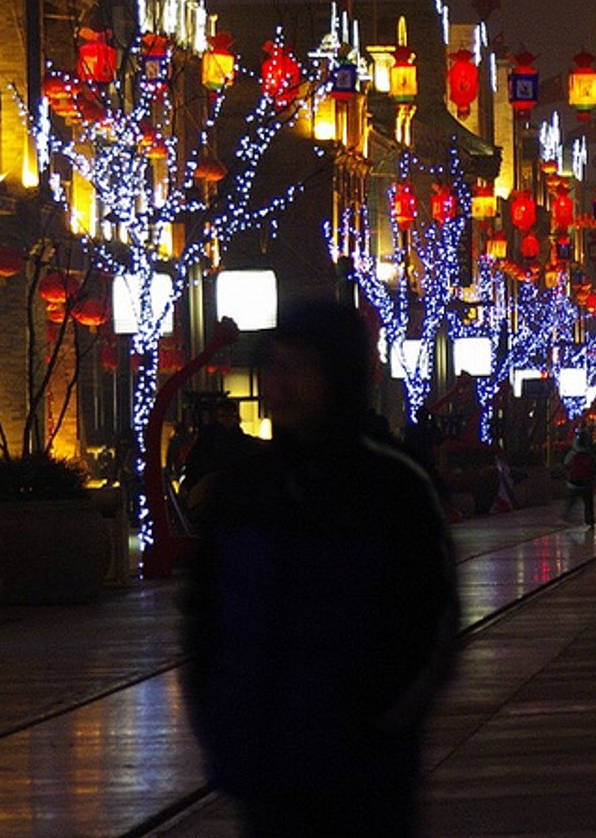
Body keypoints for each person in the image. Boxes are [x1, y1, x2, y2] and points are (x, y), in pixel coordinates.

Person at [184, 299, 457, 837]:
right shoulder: (243, 492)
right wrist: (222, 729)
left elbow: (433, 622)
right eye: (273, 365)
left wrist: (376, 722)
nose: (280, 383)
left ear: (339, 374)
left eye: (300, 366)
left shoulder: (393, 488)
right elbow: (203, 624)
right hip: (260, 771)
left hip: (363, 778)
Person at [180, 395, 262, 525]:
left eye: (230, 416)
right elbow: (196, 466)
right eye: (223, 416)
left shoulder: (244, 442)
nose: (227, 420)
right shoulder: (208, 441)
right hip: (212, 494)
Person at [561, 428, 596, 527]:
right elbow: (595, 466)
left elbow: (566, 463)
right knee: (588, 503)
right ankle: (590, 520)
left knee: (571, 501)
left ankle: (566, 516)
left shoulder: (574, 452)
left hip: (574, 482)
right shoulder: (590, 453)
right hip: (587, 482)